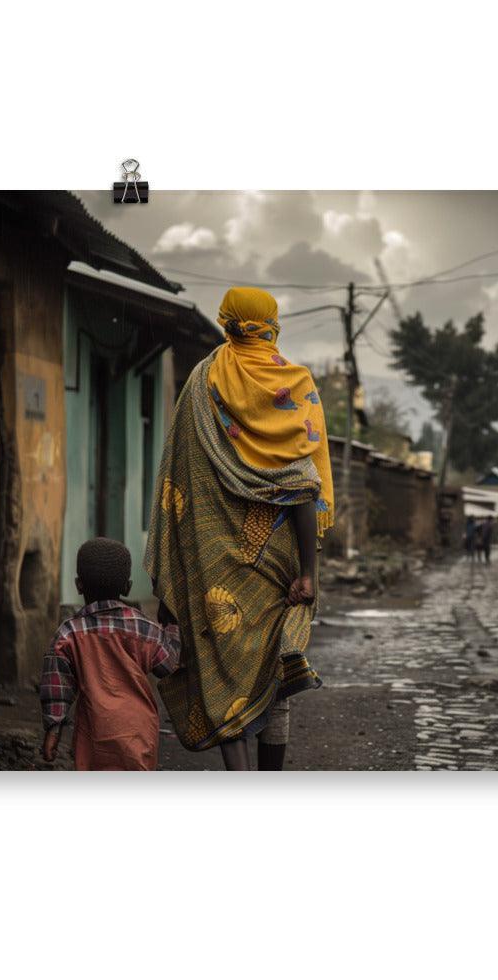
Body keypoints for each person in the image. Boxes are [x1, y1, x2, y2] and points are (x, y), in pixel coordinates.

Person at [144, 287, 331, 771]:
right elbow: (304, 488)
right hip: (282, 563)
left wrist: (174, 581)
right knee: (275, 674)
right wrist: (308, 574)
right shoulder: (296, 383)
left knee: (222, 675)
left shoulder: (203, 381)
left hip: (212, 565)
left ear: (227, 320)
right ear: (272, 323)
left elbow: (179, 480)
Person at [39, 538, 181, 771]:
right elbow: (169, 664)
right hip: (139, 733)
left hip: (93, 735)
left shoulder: (68, 633)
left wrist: (53, 730)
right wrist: (172, 627)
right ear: (127, 587)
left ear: (78, 585)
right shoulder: (144, 628)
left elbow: (56, 688)